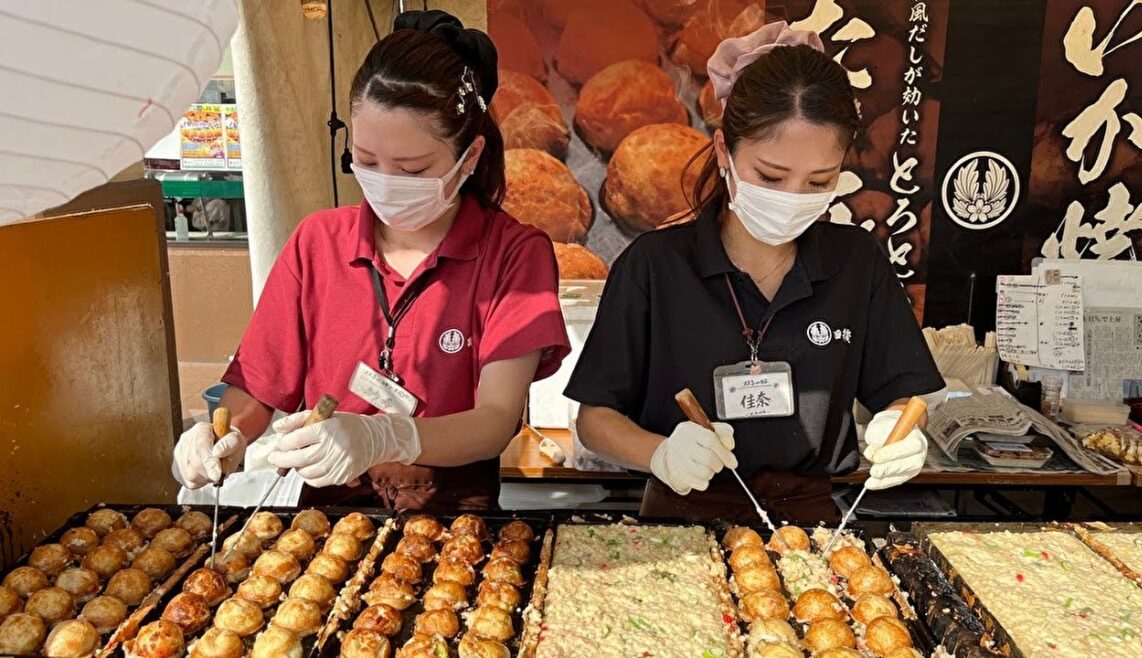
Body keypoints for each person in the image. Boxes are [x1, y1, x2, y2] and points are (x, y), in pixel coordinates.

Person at [171, 10, 570, 512]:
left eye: (411, 168)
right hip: (324, 530)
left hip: (456, 536)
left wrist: (385, 437)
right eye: (366, 159)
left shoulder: (514, 255)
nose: (384, 180)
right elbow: (257, 388)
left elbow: (494, 419)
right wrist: (218, 435)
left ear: (469, 158)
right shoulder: (317, 243)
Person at [565, 22, 944, 523]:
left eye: (818, 180)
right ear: (723, 151)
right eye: (770, 176)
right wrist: (659, 453)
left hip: (810, 525)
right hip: (680, 519)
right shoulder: (655, 265)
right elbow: (595, 419)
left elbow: (906, 387)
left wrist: (901, 425)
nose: (791, 198)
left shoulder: (855, 262)